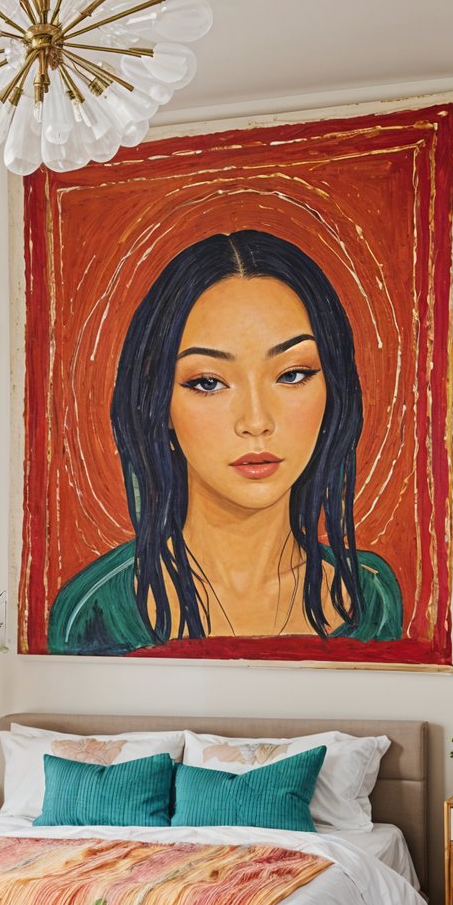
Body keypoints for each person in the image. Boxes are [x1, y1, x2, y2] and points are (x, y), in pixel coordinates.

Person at [48, 229, 403, 655]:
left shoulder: (370, 598)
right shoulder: (95, 611)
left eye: (292, 374)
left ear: (334, 391)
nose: (256, 421)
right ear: (158, 406)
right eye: (208, 382)